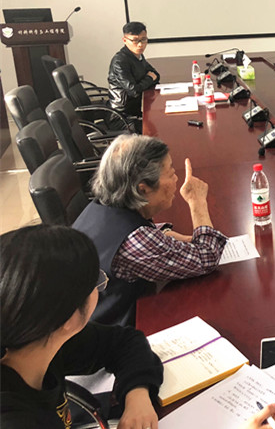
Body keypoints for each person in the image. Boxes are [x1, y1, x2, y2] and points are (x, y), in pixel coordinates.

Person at [0, 224, 163, 429]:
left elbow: (126, 342)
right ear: (69, 317)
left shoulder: (41, 336)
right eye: (95, 281)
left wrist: (137, 397)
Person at [72, 134, 227, 326]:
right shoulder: (134, 241)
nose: (176, 178)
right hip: (114, 332)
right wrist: (197, 202)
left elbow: (130, 234)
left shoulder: (100, 206)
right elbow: (207, 257)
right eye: (170, 173)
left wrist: (161, 234)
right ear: (143, 189)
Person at [108, 22, 160, 125]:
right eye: (135, 41)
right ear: (125, 40)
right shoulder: (120, 61)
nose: (140, 44)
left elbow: (155, 75)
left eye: (143, 39)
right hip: (122, 116)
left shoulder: (138, 55)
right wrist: (149, 78)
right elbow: (134, 91)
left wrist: (149, 78)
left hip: (136, 108)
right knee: (158, 126)